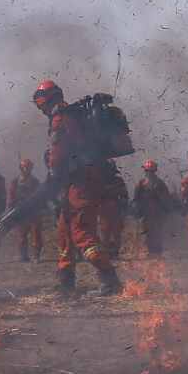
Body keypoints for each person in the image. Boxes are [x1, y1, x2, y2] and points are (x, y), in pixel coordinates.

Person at [32, 80, 123, 296]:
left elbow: (58, 149)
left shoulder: (61, 119)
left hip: (83, 182)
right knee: (64, 230)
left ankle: (110, 280)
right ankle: (65, 282)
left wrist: (53, 174)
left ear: (44, 102)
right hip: (75, 181)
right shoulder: (71, 115)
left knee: (81, 231)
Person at [132, 160, 173, 257]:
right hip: (146, 213)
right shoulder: (141, 184)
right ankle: (150, 251)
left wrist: (166, 209)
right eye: (148, 171)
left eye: (152, 171)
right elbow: (136, 198)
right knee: (148, 233)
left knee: (157, 233)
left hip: (158, 213)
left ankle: (157, 252)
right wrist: (137, 211)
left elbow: (167, 198)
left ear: (155, 171)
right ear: (145, 171)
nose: (150, 173)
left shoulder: (160, 184)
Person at [9, 158, 44, 262]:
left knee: (36, 233)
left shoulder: (35, 182)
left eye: (28, 169)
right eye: (24, 169)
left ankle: (36, 255)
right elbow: (11, 194)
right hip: (21, 212)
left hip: (33, 212)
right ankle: (23, 255)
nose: (26, 172)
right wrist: (11, 205)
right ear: (21, 168)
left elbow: (41, 196)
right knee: (21, 234)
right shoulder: (15, 182)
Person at [97, 159, 129, 260]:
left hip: (116, 210)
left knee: (116, 232)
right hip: (103, 210)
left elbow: (125, 196)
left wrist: (122, 204)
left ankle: (115, 252)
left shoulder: (118, 181)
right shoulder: (98, 181)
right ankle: (107, 252)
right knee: (105, 233)